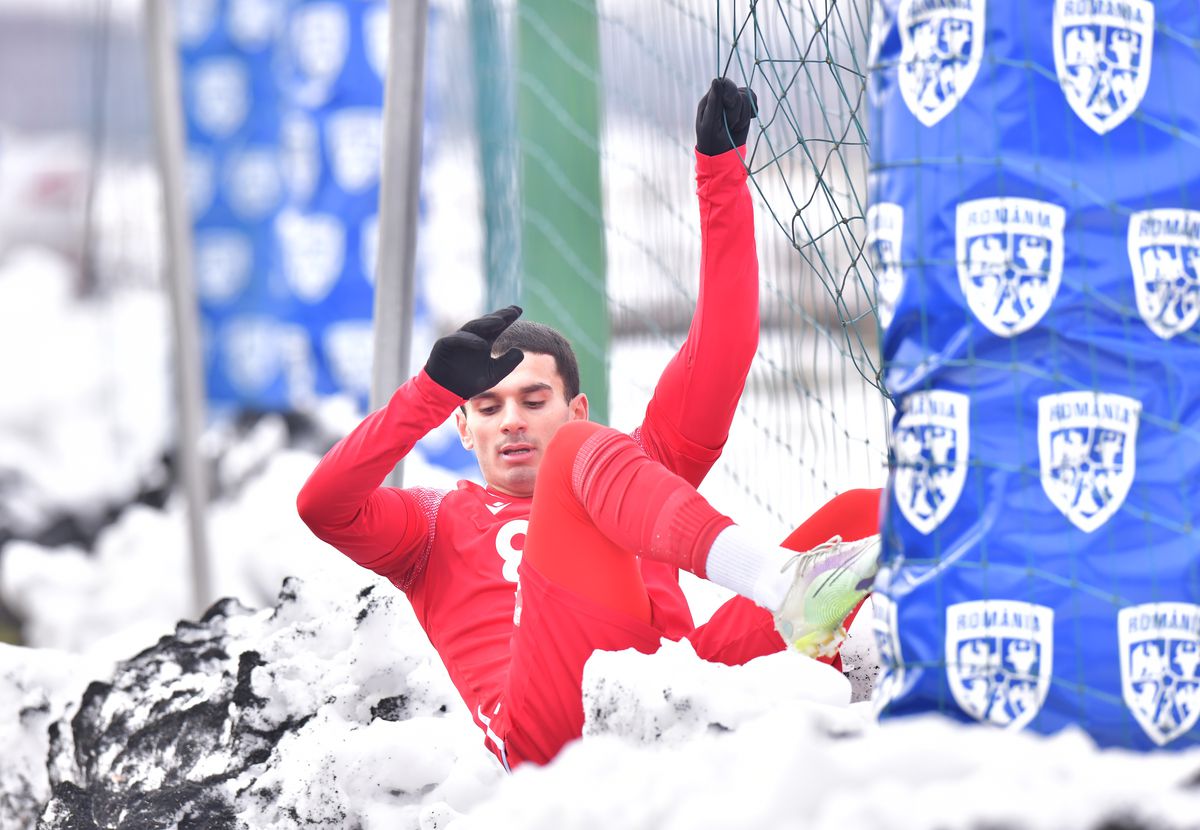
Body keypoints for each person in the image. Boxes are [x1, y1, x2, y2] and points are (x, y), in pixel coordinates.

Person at [297, 78, 882, 770]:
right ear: (463, 429)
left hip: (677, 691)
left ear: (577, 406)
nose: (511, 420)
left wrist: (720, 175)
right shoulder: (433, 527)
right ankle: (781, 584)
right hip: (556, 734)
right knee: (580, 467)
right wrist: (427, 393)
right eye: (487, 406)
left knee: (870, 513)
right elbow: (323, 504)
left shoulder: (634, 464)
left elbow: (721, 353)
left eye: (533, 400)